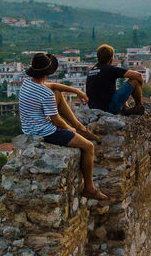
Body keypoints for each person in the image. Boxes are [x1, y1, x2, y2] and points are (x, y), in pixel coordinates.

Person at [18, 52, 107, 200]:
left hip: (29, 128)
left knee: (58, 92)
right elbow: (56, 120)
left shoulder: (28, 84)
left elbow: (53, 86)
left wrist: (76, 91)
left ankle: (80, 127)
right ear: (48, 72)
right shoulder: (45, 93)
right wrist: (68, 129)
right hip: (46, 132)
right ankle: (89, 188)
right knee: (88, 147)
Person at [86, 43, 146, 115]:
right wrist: (139, 88)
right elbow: (138, 76)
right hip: (110, 108)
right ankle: (138, 106)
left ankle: (126, 108)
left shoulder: (92, 71)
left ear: (98, 56)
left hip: (94, 109)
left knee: (115, 90)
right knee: (134, 81)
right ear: (111, 58)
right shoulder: (109, 69)